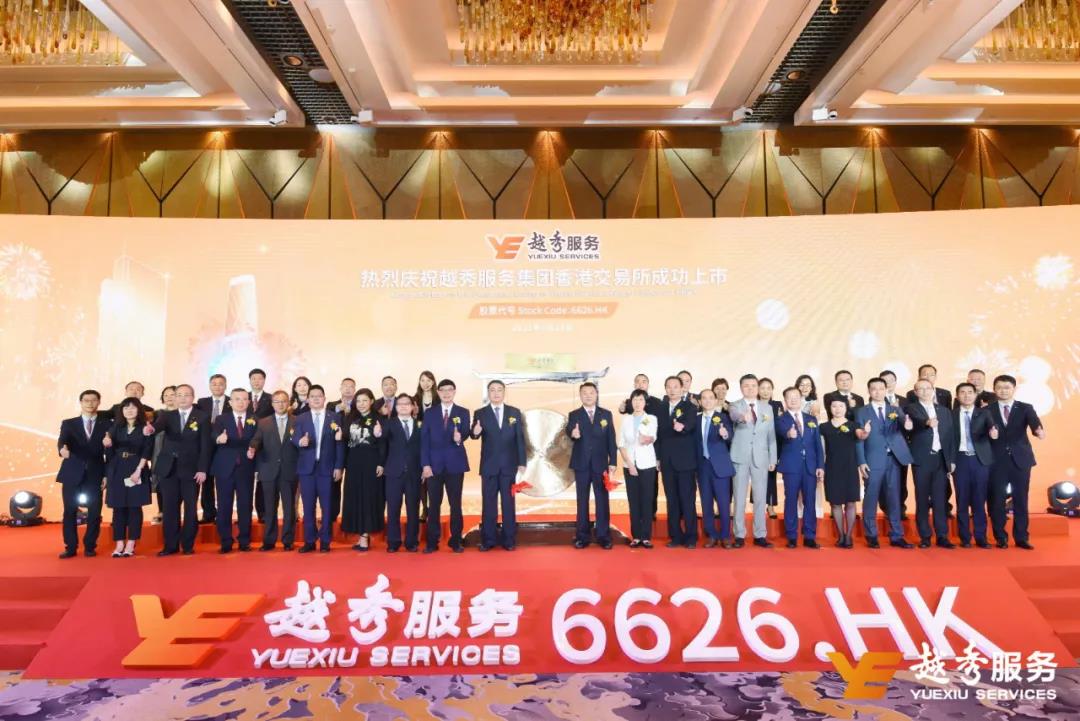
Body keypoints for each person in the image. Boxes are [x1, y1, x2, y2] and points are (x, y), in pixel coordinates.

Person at [150, 384, 211, 556]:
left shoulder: (202, 417)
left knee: (190, 510)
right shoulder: (167, 416)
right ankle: (170, 545)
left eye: (186, 395)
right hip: (169, 469)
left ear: (192, 397)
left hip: (191, 470)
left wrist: (202, 469)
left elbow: (205, 446)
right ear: (175, 398)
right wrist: (150, 428)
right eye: (179, 395)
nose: (182, 398)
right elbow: (157, 427)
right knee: (169, 509)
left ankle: (188, 545)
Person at [854, 378, 914, 549]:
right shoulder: (861, 411)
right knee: (871, 497)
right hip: (873, 459)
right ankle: (871, 535)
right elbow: (859, 439)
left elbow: (906, 426)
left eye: (881, 388)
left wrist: (908, 425)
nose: (878, 392)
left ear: (886, 390)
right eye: (874, 388)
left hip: (893, 459)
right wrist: (861, 461)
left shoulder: (894, 409)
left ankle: (897, 535)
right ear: (869, 391)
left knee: (894, 498)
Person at [987, 374, 1045, 550]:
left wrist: (1039, 431)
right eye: (999, 387)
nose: (1003, 391)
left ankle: (1021, 537)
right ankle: (1000, 537)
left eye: (1007, 387)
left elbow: (1035, 424)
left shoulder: (1025, 407)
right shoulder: (987, 409)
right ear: (994, 389)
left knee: (1021, 499)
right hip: (996, 461)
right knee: (997, 500)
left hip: (1020, 460)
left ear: (1014, 389)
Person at [470, 380, 527, 551]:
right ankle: (488, 540)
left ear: (504, 392)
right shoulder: (480, 413)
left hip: (509, 466)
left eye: (499, 390)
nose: (496, 393)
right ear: (488, 393)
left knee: (508, 504)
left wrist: (522, 462)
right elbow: (474, 434)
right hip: (489, 466)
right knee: (489, 505)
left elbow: (519, 439)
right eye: (492, 390)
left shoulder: (514, 412)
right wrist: (475, 432)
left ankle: (509, 540)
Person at [290, 385, 344, 553]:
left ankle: (325, 541)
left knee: (327, 506)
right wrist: (300, 441)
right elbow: (294, 437)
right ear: (308, 399)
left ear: (324, 398)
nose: (315, 399)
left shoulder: (334, 417)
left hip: (327, 468)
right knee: (308, 506)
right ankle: (310, 540)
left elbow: (339, 444)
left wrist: (339, 466)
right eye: (312, 396)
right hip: (306, 469)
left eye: (319, 396)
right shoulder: (301, 418)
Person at [56, 390, 108, 558]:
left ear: (99, 402)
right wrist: (62, 449)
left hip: (96, 472)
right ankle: (70, 547)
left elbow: (110, 452)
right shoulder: (69, 423)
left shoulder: (107, 424)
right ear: (80, 402)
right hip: (72, 472)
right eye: (86, 400)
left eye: (93, 400)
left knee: (94, 512)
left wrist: (106, 475)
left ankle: (90, 546)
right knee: (69, 511)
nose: (90, 403)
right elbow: (62, 441)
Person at [421, 379, 471, 554]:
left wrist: (459, 438)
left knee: (455, 504)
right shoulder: (430, 413)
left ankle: (456, 540)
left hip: (455, 465)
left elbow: (465, 433)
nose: (447, 393)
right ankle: (432, 542)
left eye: (450, 390)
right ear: (438, 392)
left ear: (454, 392)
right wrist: (425, 464)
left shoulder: (463, 412)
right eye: (443, 390)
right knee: (433, 505)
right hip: (433, 466)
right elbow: (424, 441)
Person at [906, 379, 957, 549]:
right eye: (921, 389)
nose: (925, 391)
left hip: (940, 459)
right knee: (922, 498)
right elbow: (917, 420)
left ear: (933, 390)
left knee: (940, 499)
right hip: (921, 459)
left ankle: (942, 536)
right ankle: (925, 536)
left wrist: (951, 460)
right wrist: (927, 422)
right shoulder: (911, 408)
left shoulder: (944, 411)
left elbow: (950, 437)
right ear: (915, 392)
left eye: (928, 388)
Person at [566, 382, 617, 549]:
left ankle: (603, 536)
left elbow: (611, 439)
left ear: (596, 394)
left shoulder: (606, 414)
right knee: (582, 501)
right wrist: (573, 434)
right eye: (584, 393)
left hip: (600, 464)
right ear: (580, 395)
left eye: (591, 392)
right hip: (581, 464)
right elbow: (569, 431)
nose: (588, 395)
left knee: (602, 500)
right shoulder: (574, 414)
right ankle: (582, 536)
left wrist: (613, 461)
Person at [729, 374, 777, 548]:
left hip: (761, 457)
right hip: (740, 457)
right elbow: (734, 416)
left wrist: (772, 458)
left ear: (757, 388)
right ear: (741, 388)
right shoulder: (735, 405)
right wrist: (743, 417)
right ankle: (739, 535)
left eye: (753, 385)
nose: (750, 388)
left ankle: (760, 534)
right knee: (739, 497)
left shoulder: (767, 408)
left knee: (760, 497)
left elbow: (771, 434)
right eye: (746, 385)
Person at [775, 387, 825, 549]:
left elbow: (817, 444)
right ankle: (791, 536)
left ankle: (810, 536)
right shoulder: (781, 420)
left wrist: (820, 465)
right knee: (791, 500)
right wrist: (789, 434)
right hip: (791, 466)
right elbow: (782, 432)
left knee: (810, 500)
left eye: (796, 396)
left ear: (800, 398)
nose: (793, 399)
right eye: (789, 397)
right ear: (785, 401)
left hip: (810, 466)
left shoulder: (811, 419)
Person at [249, 390, 300, 551]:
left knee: (289, 508)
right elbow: (257, 440)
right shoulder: (263, 422)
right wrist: (252, 448)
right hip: (268, 470)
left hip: (289, 470)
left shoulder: (297, 421)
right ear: (272, 404)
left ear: (288, 403)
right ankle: (269, 541)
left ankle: (288, 540)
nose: (280, 404)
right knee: (269, 508)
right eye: (277, 401)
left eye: (284, 401)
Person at [103, 397, 153, 558]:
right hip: (117, 468)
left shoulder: (145, 428)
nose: (129, 410)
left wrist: (139, 470)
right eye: (126, 408)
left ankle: (131, 543)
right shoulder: (116, 427)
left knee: (134, 507)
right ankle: (119, 543)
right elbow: (109, 453)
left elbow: (147, 450)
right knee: (118, 508)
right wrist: (107, 445)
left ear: (139, 410)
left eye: (132, 407)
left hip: (136, 467)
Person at [210, 388, 258, 553]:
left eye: (244, 399)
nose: (241, 402)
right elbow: (213, 435)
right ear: (230, 402)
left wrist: (254, 448)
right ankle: (226, 541)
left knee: (245, 505)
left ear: (249, 402)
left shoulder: (254, 419)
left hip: (246, 467)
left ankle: (244, 540)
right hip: (225, 468)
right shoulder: (221, 419)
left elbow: (258, 439)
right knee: (224, 506)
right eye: (237, 399)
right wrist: (219, 438)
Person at [656, 375, 700, 548]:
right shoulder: (660, 408)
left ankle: (691, 537)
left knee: (687, 500)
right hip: (666, 461)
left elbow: (691, 424)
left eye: (675, 386)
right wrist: (658, 457)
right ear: (665, 389)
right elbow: (658, 435)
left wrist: (683, 427)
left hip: (685, 461)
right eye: (669, 386)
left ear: (682, 389)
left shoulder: (690, 407)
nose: (672, 389)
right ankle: (675, 536)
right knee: (672, 500)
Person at [952, 382, 993, 548]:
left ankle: (981, 537)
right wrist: (950, 461)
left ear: (975, 395)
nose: (966, 395)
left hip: (979, 460)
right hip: (960, 459)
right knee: (961, 500)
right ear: (957, 396)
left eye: (970, 392)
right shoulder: (951, 414)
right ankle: (964, 537)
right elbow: (948, 440)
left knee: (979, 500)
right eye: (962, 392)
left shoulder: (985, 413)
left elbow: (992, 428)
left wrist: (994, 433)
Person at [381, 393, 422, 552]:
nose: (403, 406)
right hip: (393, 472)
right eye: (400, 404)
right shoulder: (388, 423)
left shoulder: (420, 424)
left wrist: (424, 468)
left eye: (407, 404)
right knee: (393, 509)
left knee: (413, 509)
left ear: (413, 407)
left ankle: (412, 542)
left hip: (414, 472)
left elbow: (424, 448)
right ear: (395, 407)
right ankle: (393, 542)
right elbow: (381, 442)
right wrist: (378, 432)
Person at [619, 389, 659, 548]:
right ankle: (636, 536)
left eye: (641, 400)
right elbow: (621, 444)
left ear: (645, 402)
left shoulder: (651, 418)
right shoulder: (626, 420)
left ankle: (646, 536)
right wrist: (630, 464)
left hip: (647, 464)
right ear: (631, 402)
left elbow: (653, 437)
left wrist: (646, 439)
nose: (637, 403)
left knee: (647, 500)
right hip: (629, 464)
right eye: (635, 400)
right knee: (633, 500)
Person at [695, 388, 734, 549]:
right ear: (700, 401)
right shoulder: (696, 419)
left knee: (724, 503)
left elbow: (730, 435)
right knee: (706, 503)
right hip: (702, 466)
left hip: (720, 466)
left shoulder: (723, 417)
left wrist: (725, 434)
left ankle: (725, 536)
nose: (707, 401)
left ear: (716, 400)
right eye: (704, 398)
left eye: (711, 398)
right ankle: (711, 535)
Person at [821, 399, 860, 548]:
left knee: (851, 502)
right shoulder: (823, 427)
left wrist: (865, 432)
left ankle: (848, 536)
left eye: (841, 406)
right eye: (834, 406)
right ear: (829, 408)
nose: (837, 409)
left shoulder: (854, 425)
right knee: (835, 503)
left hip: (850, 467)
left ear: (846, 408)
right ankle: (840, 535)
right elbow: (821, 449)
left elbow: (861, 437)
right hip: (832, 468)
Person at [195, 373, 228, 525]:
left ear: (225, 385)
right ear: (209, 386)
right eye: (214, 384)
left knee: (224, 482)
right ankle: (208, 513)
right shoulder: (202, 402)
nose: (217, 386)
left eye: (220, 384)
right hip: (206, 447)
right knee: (207, 482)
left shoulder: (232, 401)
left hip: (225, 447)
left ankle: (223, 514)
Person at [878, 369, 910, 519]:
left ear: (896, 382)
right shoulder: (876, 401)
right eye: (885, 381)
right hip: (882, 448)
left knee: (902, 480)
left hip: (901, 446)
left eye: (891, 380)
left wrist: (898, 410)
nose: (888, 383)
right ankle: (886, 508)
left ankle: (901, 508)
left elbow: (909, 423)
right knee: (884, 480)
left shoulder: (905, 401)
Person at [327, 377, 358, 523]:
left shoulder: (359, 405)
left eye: (351, 386)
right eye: (345, 386)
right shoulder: (331, 405)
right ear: (340, 388)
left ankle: (350, 516)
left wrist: (351, 411)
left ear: (355, 389)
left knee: (352, 485)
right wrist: (339, 409)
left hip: (354, 451)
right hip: (335, 450)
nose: (348, 389)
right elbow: (328, 422)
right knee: (334, 483)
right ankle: (332, 514)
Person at [149, 385, 177, 525]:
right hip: (159, 451)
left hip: (178, 453)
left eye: (172, 394)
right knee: (160, 480)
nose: (169, 397)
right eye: (166, 395)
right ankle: (161, 511)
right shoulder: (156, 414)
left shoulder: (186, 413)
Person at [758, 378, 783, 519]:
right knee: (757, 477)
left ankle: (771, 506)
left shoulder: (777, 405)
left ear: (772, 390)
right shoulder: (754, 405)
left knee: (771, 476)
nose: (765, 391)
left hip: (773, 444)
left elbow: (780, 425)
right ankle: (758, 504)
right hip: (758, 446)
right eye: (762, 388)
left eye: (768, 388)